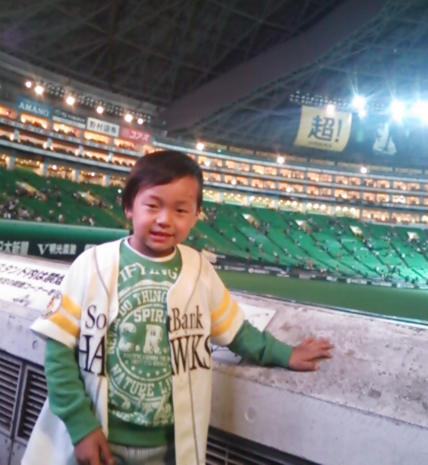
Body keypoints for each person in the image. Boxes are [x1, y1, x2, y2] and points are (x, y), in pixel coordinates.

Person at [23, 151, 333, 465]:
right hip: (98, 439)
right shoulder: (91, 265)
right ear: (129, 206)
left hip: (169, 448)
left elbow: (238, 333)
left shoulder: (200, 272)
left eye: (180, 210)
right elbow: (58, 353)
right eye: (153, 205)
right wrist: (81, 426)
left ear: (196, 215)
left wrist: (285, 354)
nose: (165, 219)